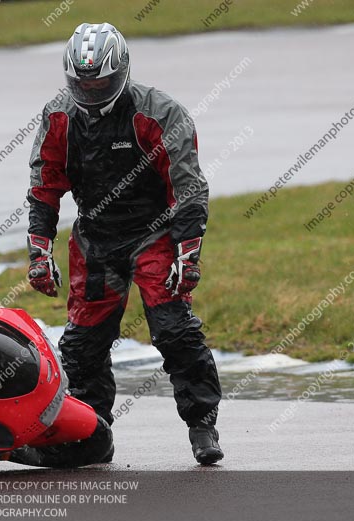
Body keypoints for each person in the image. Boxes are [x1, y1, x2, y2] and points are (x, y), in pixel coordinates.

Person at [25, 22, 223, 465]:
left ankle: (202, 424)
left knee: (174, 330)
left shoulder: (161, 112)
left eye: (102, 82)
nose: (93, 90)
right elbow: (44, 185)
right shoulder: (57, 116)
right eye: (83, 83)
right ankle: (91, 432)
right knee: (82, 344)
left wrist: (189, 252)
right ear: (69, 78)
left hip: (155, 235)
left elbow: (188, 186)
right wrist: (39, 252)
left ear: (124, 71)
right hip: (95, 241)